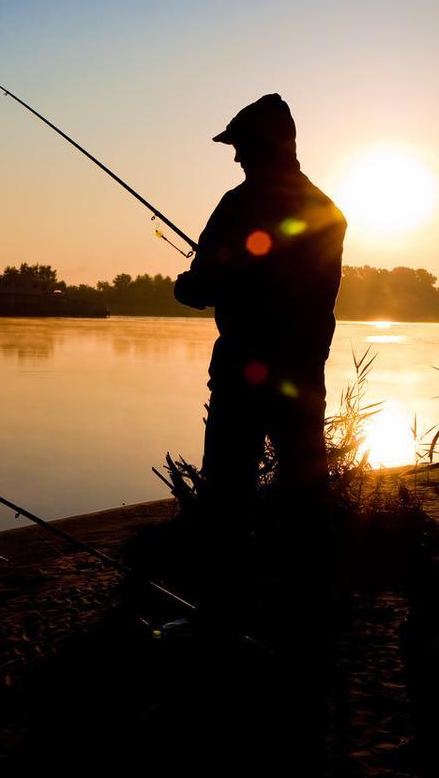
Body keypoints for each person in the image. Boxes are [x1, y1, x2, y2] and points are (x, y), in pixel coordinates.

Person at [175, 93, 346, 628]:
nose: (236, 158)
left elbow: (202, 286)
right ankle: (307, 613)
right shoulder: (328, 212)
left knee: (228, 497)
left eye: (242, 147)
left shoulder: (238, 205)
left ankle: (222, 616)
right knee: (305, 494)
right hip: (302, 376)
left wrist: (186, 286)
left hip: (243, 373)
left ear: (265, 146)